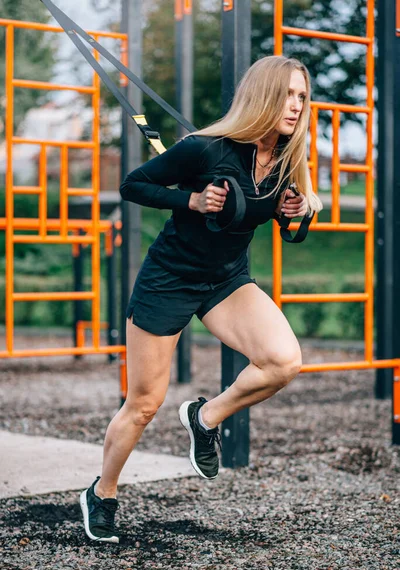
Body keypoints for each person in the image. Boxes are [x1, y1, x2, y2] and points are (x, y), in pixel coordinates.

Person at [79, 55, 323, 543]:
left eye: (301, 96)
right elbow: (134, 185)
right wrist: (189, 200)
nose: (295, 105)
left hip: (226, 280)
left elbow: (280, 220)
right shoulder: (204, 149)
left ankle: (205, 416)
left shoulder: (288, 156)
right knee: (145, 403)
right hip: (169, 279)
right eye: (287, 94)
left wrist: (293, 210)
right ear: (262, 95)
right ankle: (102, 493)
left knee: (283, 360)